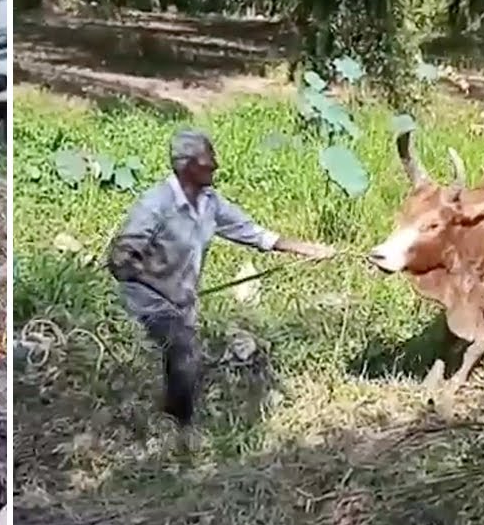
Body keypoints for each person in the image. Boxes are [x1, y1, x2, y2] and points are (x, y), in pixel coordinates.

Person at [106, 128, 336, 451]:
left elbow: (253, 233)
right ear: (186, 166)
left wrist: (305, 248)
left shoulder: (210, 203)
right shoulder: (156, 204)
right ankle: (179, 430)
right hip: (147, 301)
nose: (215, 164)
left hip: (182, 304)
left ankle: (169, 414)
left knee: (184, 351)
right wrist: (162, 286)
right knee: (185, 351)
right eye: (207, 159)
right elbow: (119, 261)